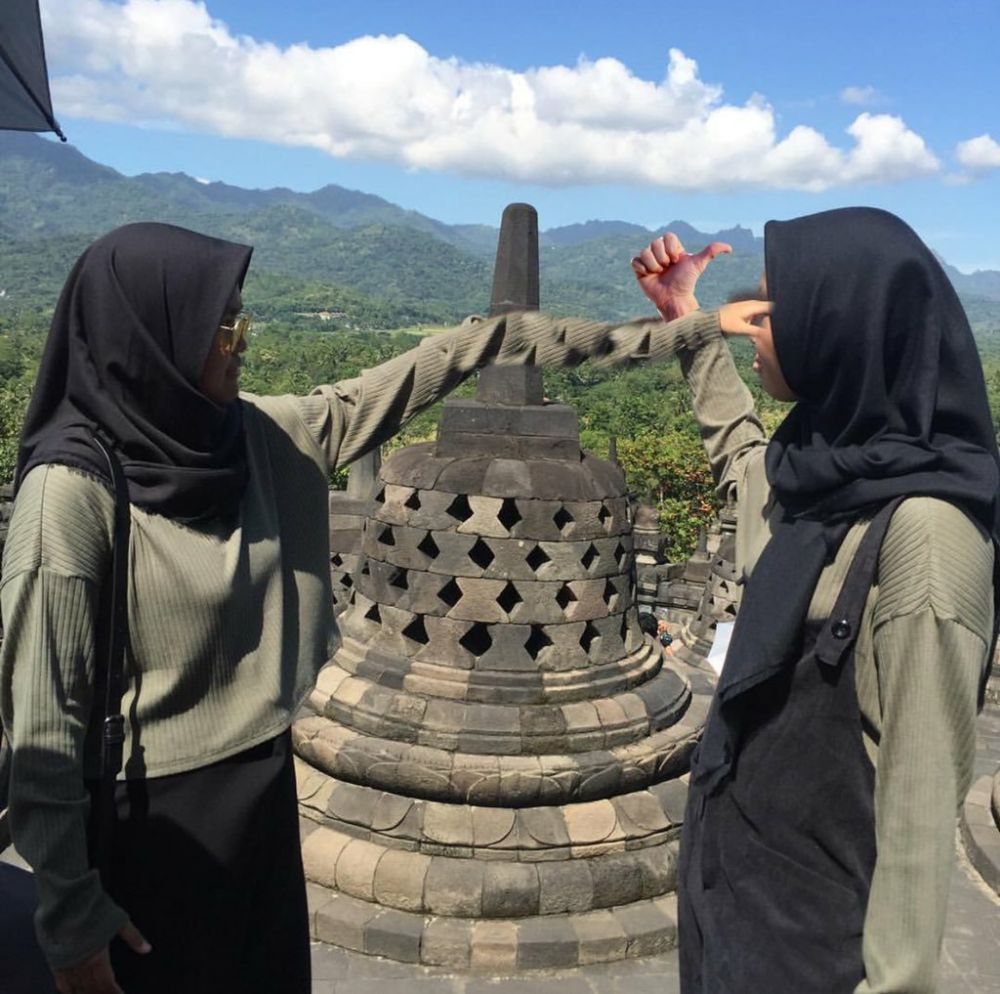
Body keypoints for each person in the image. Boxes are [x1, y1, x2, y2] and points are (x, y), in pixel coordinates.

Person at [0, 221, 731, 994]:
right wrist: (72, 919)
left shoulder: (251, 436)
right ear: (153, 336)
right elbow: (41, 728)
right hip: (149, 819)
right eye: (225, 325)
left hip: (261, 792)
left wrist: (675, 333)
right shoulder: (70, 497)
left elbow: (436, 364)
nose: (242, 340)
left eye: (242, 318)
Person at [631, 209, 999, 994]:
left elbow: (918, 814)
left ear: (841, 328)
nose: (753, 326)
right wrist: (687, 323)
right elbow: (744, 462)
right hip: (734, 916)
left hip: (818, 956)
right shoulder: (820, 473)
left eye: (773, 310)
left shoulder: (925, 539)